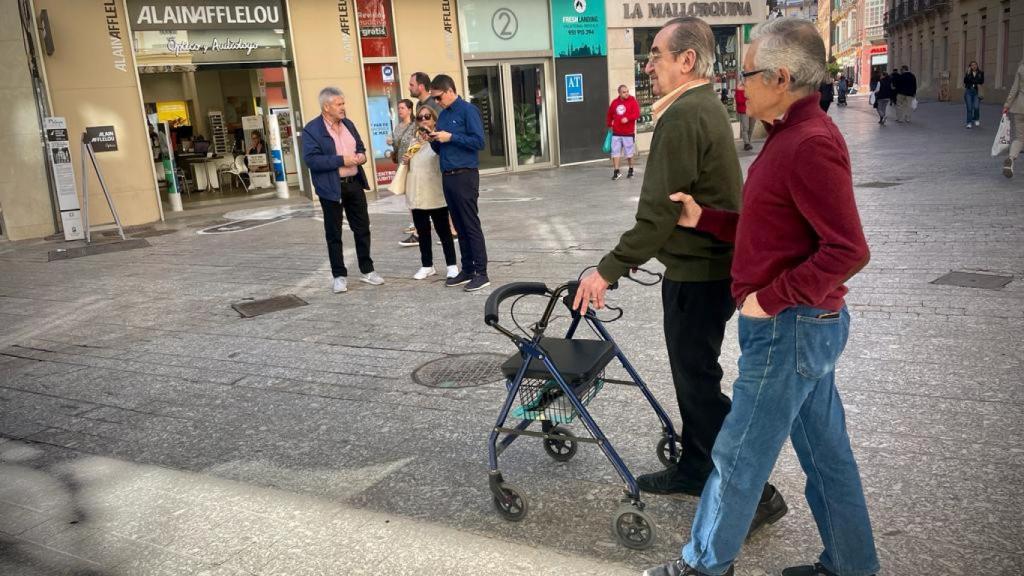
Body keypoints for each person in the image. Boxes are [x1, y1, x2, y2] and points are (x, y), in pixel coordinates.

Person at [643, 17, 878, 576]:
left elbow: (848, 249)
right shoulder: (788, 136)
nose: (736, 82)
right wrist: (708, 220)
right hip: (801, 326)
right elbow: (769, 228)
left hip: (789, 327)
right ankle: (852, 565)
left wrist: (769, 300)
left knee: (737, 454)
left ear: (779, 76)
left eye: (745, 71)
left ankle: (702, 565)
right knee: (827, 457)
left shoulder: (810, 143)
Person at [573, 15, 787, 538]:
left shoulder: (684, 115)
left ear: (686, 60)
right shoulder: (698, 108)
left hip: (700, 274)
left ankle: (757, 493)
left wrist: (606, 270)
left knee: (698, 384)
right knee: (694, 379)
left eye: (657, 56)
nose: (648, 66)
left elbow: (658, 214)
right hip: (705, 268)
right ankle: (696, 468)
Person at [301, 87, 383, 294]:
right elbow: (311, 160)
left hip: (354, 183)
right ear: (326, 107)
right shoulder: (312, 129)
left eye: (343, 103)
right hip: (331, 187)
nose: (343, 108)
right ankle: (339, 276)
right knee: (334, 233)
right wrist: (341, 160)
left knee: (362, 228)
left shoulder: (348, 124)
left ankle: (367, 270)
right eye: (339, 104)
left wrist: (361, 156)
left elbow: (361, 147)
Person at [429, 74, 490, 292]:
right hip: (448, 175)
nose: (436, 102)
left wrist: (451, 137)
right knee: (459, 225)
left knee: (470, 224)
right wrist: (434, 140)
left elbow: (479, 142)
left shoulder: (467, 110)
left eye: (437, 97)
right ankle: (467, 269)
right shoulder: (443, 115)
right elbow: (441, 147)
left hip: (465, 174)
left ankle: (482, 273)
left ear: (449, 91)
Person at [401, 106, 459, 280]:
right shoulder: (414, 142)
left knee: (443, 231)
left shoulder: (440, 140)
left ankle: (452, 265)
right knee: (423, 232)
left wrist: (433, 139)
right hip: (417, 193)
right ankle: (427, 265)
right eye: (420, 118)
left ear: (434, 119)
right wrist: (405, 161)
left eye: (427, 116)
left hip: (435, 193)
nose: (424, 120)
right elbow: (411, 167)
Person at [388, 99, 420, 247]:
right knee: (408, 195)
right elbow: (396, 145)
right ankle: (415, 222)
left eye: (402, 108)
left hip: (414, 164)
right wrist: (390, 144)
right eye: (398, 108)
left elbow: (419, 142)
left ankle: (419, 226)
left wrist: (411, 155)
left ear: (409, 110)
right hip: (402, 165)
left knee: (415, 194)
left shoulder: (415, 125)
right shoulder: (397, 127)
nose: (400, 110)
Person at [606, 85, 640, 180]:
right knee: (615, 153)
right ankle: (616, 171)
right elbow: (609, 115)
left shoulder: (632, 101)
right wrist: (609, 125)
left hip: (628, 133)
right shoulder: (615, 103)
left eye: (627, 91)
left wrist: (628, 118)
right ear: (619, 93)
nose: (626, 93)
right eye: (624, 92)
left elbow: (637, 114)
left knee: (629, 153)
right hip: (616, 132)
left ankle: (631, 169)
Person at [1002, 60, 1024, 178]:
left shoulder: (1021, 68)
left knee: (1019, 138)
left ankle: (1011, 158)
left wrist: (1007, 105)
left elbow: (1014, 89)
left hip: (1019, 107)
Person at [963, 61, 984, 129]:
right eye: (972, 65)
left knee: (976, 107)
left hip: (976, 92)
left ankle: (976, 118)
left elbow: (981, 81)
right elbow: (965, 81)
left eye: (975, 65)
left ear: (977, 66)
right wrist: (968, 73)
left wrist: (973, 81)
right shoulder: (968, 73)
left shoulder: (981, 73)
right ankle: (969, 123)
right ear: (970, 67)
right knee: (969, 108)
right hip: (968, 92)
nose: (974, 66)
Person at [734, 84, 753, 151]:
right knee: (745, 128)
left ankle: (748, 143)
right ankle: (746, 143)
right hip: (743, 111)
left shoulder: (752, 88)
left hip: (753, 110)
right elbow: (739, 101)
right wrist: (748, 100)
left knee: (751, 128)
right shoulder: (739, 89)